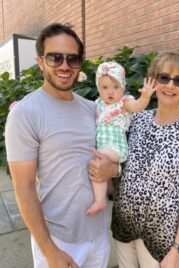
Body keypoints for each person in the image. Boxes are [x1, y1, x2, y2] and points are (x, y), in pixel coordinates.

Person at [5, 23, 116, 268]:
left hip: (98, 235)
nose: (64, 66)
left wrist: (113, 173)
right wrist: (50, 252)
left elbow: (107, 164)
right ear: (40, 61)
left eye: (72, 59)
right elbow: (24, 189)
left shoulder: (93, 109)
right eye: (55, 58)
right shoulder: (25, 114)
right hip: (58, 240)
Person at [110, 51, 179, 267]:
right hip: (125, 223)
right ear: (154, 81)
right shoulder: (137, 119)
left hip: (160, 237)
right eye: (164, 77)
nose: (170, 85)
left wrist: (177, 250)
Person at [87, 61, 156, 216]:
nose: (110, 92)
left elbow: (137, 106)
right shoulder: (98, 104)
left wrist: (144, 97)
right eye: (104, 88)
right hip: (103, 146)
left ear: (123, 87)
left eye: (115, 87)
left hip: (115, 147)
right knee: (95, 161)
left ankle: (100, 200)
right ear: (98, 88)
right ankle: (108, 186)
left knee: (99, 160)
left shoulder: (124, 103)